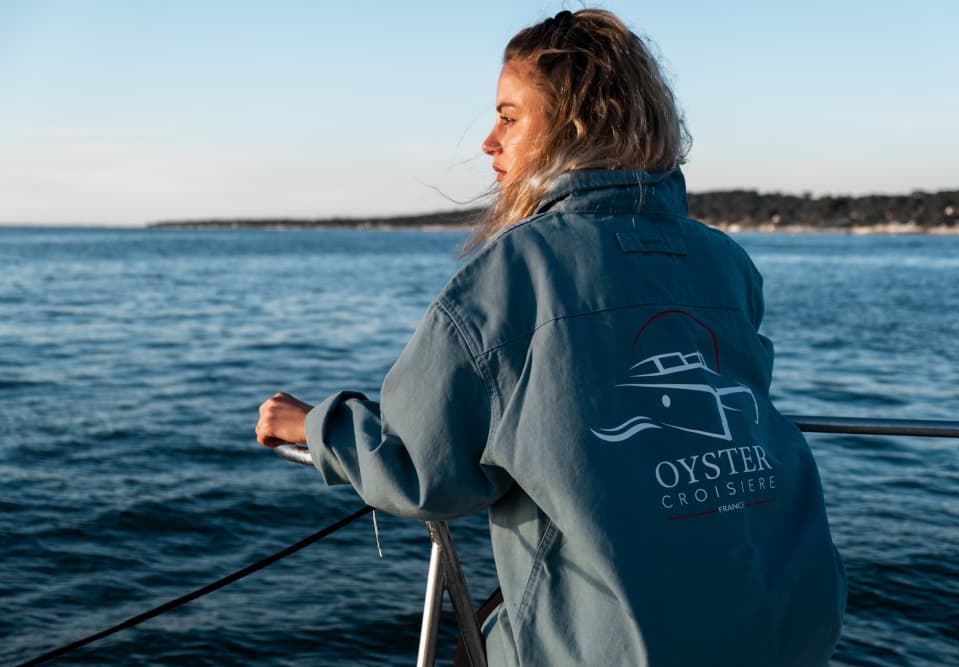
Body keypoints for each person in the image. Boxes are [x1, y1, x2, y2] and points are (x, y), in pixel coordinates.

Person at [256, 9, 846, 666]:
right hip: (788, 622)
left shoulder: (511, 273)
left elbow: (420, 469)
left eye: (509, 116)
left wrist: (312, 424)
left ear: (577, 126)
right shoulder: (721, 260)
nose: (489, 140)